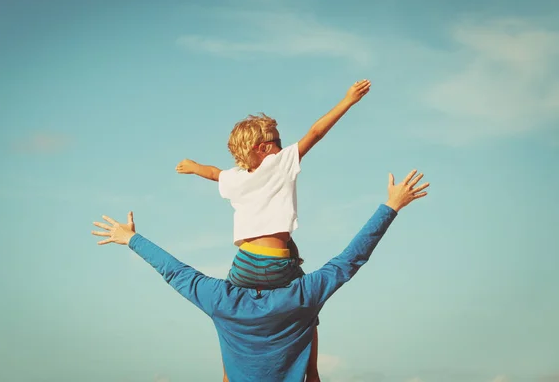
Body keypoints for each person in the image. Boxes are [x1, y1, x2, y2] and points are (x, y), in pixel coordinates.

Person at [91, 170, 429, 382]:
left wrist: (130, 238)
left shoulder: (222, 301)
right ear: (293, 265)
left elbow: (174, 271)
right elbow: (350, 260)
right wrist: (391, 206)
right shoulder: (303, 298)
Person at [174, 80, 371, 381]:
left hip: (244, 264)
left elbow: (214, 173)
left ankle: (228, 377)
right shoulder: (278, 163)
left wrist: (192, 165)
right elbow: (316, 133)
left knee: (228, 315)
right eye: (278, 141)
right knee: (309, 308)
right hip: (278, 266)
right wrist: (347, 101)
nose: (283, 146)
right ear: (264, 149)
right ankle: (313, 373)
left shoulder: (236, 178)